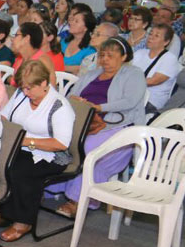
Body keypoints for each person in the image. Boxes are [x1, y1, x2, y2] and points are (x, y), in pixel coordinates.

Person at [48, 37, 147, 216]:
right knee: (60, 140)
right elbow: (72, 94)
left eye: (110, 55)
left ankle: (78, 199)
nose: (104, 59)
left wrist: (99, 107)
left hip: (118, 125)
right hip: (86, 121)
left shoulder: (133, 73)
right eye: (102, 55)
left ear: (124, 57)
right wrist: (78, 102)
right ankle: (54, 186)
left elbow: (131, 101)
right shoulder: (92, 74)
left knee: (87, 148)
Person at [0, 60, 74, 242]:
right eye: (23, 87)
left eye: (30, 88)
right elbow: (5, 116)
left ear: (44, 84)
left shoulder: (59, 106)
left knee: (19, 169)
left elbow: (61, 143)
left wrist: (25, 142)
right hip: (19, 145)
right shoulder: (22, 95)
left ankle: (23, 220)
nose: (25, 92)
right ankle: (0, 209)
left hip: (51, 154)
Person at [135, 24, 181, 112]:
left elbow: (153, 81)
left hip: (151, 100)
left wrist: (128, 81)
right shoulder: (140, 53)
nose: (150, 37)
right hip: (133, 94)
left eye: (156, 35)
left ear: (166, 42)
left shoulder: (169, 58)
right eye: (150, 34)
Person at [61, 6, 97, 75]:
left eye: (76, 21)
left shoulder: (91, 49)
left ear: (86, 27)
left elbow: (84, 69)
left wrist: (60, 67)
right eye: (72, 20)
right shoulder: (63, 42)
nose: (71, 23)